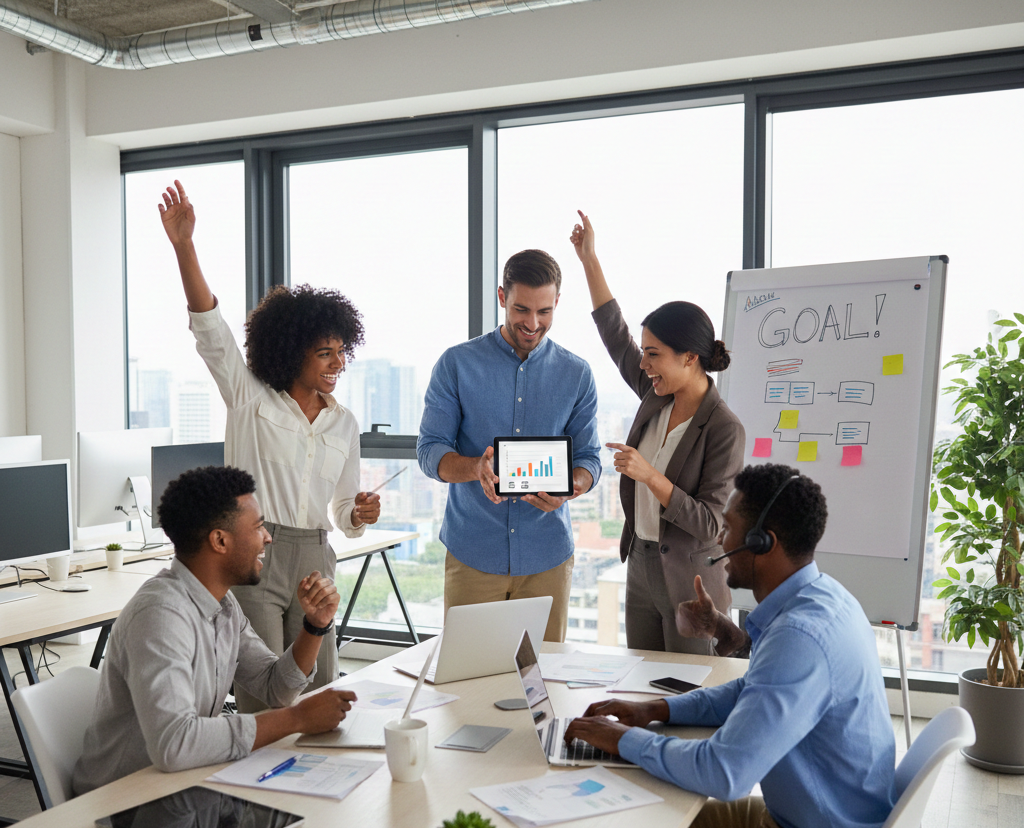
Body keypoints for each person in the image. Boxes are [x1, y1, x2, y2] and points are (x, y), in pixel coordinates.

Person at [564, 464, 897, 828]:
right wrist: (656, 710)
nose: (720, 541)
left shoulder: (799, 638)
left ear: (762, 543)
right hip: (817, 817)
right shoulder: (826, 597)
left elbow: (723, 773)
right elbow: (750, 690)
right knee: (644, 816)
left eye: (727, 528)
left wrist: (622, 739)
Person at [158, 180, 380, 712]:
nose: (336, 364)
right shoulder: (249, 399)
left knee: (321, 693)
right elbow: (211, 331)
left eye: (341, 353)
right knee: (263, 693)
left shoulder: (344, 424)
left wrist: (361, 513)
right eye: (324, 352)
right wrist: (185, 246)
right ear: (291, 350)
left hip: (316, 552)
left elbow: (344, 512)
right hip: (258, 551)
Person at [73, 466, 354, 795]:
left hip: (181, 784)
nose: (268, 537)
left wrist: (315, 625)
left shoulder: (224, 605)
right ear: (220, 540)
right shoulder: (161, 615)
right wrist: (296, 720)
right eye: (259, 527)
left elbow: (275, 687)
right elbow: (175, 744)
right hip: (122, 799)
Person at [569, 212, 745, 655]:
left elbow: (710, 523)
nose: (643, 364)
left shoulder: (724, 428)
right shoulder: (656, 393)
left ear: (689, 358)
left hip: (693, 582)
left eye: (654, 354)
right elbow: (614, 333)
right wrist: (589, 259)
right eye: (643, 353)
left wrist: (650, 476)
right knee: (642, 687)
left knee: (687, 696)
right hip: (641, 566)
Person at [417, 249, 602, 642]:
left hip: (547, 556)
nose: (532, 323)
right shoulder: (456, 364)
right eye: (521, 309)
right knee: (469, 679)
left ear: (556, 304)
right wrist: (475, 469)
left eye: (544, 312)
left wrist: (573, 487)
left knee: (543, 682)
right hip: (473, 552)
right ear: (502, 297)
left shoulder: (577, 374)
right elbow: (430, 450)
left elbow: (589, 458)